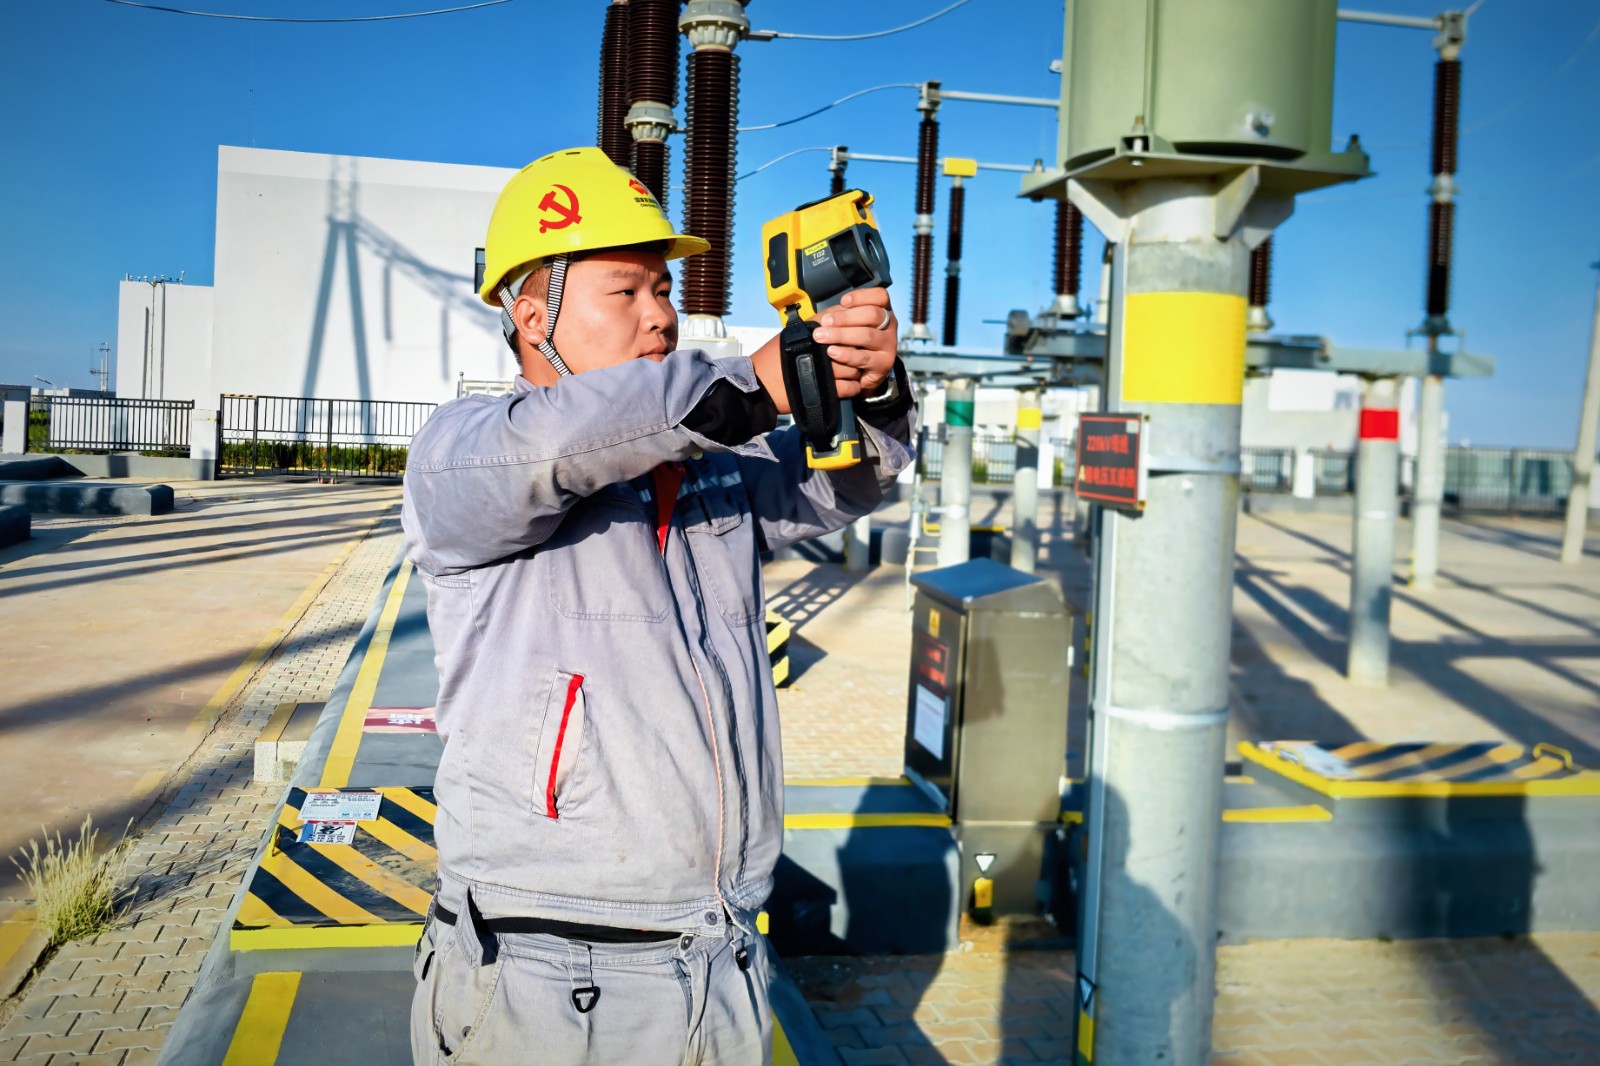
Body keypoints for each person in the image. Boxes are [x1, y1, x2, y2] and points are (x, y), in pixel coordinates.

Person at [401, 146, 915, 1065]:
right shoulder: (467, 454)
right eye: (627, 292)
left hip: (718, 951)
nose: (664, 317)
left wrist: (865, 387)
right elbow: (570, 438)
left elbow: (841, 487)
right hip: (546, 970)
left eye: (666, 290)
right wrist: (758, 383)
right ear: (533, 317)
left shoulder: (705, 463)